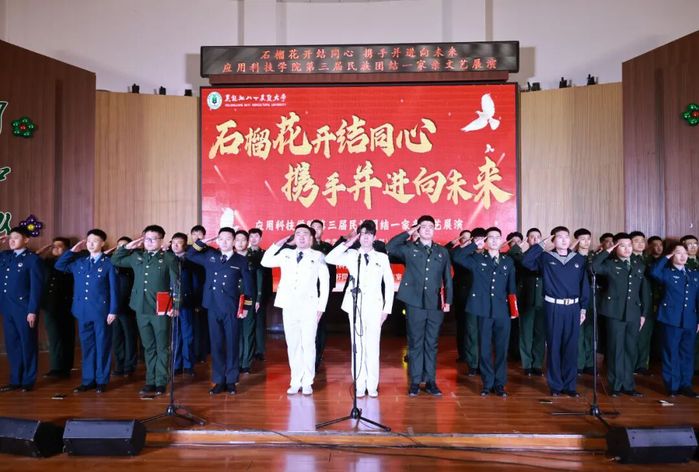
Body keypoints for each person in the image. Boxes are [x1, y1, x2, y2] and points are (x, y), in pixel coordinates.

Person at [325, 220, 394, 398]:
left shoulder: (382, 257)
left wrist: (386, 309)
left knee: (372, 346)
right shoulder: (351, 254)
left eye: (369, 234)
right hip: (355, 305)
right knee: (357, 345)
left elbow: (389, 283)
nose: (366, 238)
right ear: (359, 236)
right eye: (363, 234)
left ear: (374, 237)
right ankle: (360, 383)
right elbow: (329, 258)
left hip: (375, 306)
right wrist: (348, 243)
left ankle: (372, 385)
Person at [386, 215, 452, 396]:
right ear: (418, 229)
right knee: (415, 342)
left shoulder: (442, 251)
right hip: (414, 302)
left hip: (435, 303)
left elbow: (447, 277)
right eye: (423, 226)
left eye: (431, 226)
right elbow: (390, 247)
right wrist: (408, 232)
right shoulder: (409, 249)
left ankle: (430, 381)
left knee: (432, 343)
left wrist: (448, 301)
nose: (428, 229)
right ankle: (415, 381)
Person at [261, 224, 329, 395]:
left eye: (305, 234)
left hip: (309, 306)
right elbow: (265, 261)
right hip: (289, 305)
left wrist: (321, 307)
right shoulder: (286, 254)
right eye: (298, 234)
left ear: (311, 238)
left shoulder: (318, 256)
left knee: (308, 344)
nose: (301, 237)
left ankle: (307, 381)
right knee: (293, 344)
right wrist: (279, 243)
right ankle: (295, 380)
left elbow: (325, 283)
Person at [112, 225, 180, 396]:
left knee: (162, 346)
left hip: (161, 309)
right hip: (140, 308)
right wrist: (127, 247)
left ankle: (161, 381)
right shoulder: (137, 256)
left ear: (161, 240)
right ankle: (150, 380)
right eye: (146, 239)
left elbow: (176, 284)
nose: (149, 242)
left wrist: (176, 305)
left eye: (153, 239)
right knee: (148, 346)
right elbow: (115, 260)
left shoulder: (168, 258)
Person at [522, 226, 589, 397]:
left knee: (571, 347)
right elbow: (526, 262)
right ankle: (556, 386)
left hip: (573, 307)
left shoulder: (578, 259)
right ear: (552, 240)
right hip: (553, 306)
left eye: (566, 236)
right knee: (554, 346)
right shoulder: (545, 257)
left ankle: (570, 386)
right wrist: (540, 245)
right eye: (559, 237)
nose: (564, 240)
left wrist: (583, 308)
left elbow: (584, 285)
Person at [187, 227, 253, 395]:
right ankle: (218, 380)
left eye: (228, 239)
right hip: (212, 306)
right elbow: (190, 255)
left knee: (231, 344)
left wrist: (245, 307)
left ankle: (231, 380)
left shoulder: (241, 260)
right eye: (221, 238)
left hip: (230, 307)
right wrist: (202, 242)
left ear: (234, 241)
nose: (224, 242)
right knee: (216, 344)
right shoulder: (211, 256)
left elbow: (249, 286)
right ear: (217, 240)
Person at [452, 227, 516, 397]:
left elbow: (511, 288)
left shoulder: (508, 261)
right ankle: (487, 383)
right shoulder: (477, 258)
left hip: (503, 310)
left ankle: (500, 384)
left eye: (497, 237)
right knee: (485, 348)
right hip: (483, 309)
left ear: (501, 240)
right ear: (486, 241)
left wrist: (513, 310)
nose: (494, 240)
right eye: (490, 237)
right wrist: (474, 245)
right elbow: (457, 257)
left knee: (502, 349)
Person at [56, 229, 119, 393]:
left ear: (102, 243)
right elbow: (59, 265)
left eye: (95, 241)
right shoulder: (80, 262)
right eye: (89, 241)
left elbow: (114, 289)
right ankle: (88, 380)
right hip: (82, 311)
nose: (91, 244)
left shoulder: (109, 263)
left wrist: (113, 310)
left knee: (102, 346)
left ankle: (101, 380)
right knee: (87, 347)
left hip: (101, 311)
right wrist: (72, 251)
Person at [591, 233, 651, 397]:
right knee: (615, 349)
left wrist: (644, 314)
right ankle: (615, 385)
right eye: (622, 246)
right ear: (615, 247)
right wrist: (607, 251)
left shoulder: (639, 265)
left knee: (630, 350)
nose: (627, 249)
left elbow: (644, 291)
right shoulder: (610, 264)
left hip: (634, 313)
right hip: (614, 312)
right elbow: (593, 267)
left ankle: (628, 385)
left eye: (629, 245)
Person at [650, 243, 699, 398]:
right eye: (678, 253)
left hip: (690, 320)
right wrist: (666, 258)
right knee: (671, 353)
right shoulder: (666, 273)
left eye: (685, 253)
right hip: (671, 319)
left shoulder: (694, 274)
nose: (683, 256)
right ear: (671, 255)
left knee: (687, 354)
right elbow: (654, 272)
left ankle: (686, 385)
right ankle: (672, 386)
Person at [0, 228, 44, 392]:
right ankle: (15, 380)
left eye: (16, 238)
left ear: (26, 240)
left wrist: (32, 310)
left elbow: (36, 288)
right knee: (12, 345)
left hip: (24, 308)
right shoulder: (5, 256)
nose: (11, 241)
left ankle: (28, 380)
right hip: (7, 307)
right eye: (10, 238)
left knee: (28, 344)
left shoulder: (32, 259)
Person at [508, 228, 545, 377]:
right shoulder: (521, 256)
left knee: (540, 334)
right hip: (526, 298)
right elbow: (517, 257)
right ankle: (527, 364)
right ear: (527, 240)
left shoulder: (546, 257)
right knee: (526, 333)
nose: (535, 239)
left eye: (538, 237)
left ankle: (537, 364)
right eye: (532, 237)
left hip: (542, 299)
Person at [38, 237, 75, 379]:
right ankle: (56, 367)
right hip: (50, 305)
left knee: (67, 336)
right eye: (53, 245)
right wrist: (42, 251)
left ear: (67, 249)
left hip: (66, 304)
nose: (55, 248)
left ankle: (66, 367)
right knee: (54, 337)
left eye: (59, 246)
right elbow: (33, 261)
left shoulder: (72, 262)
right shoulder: (46, 262)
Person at [635, 236, 664, 375]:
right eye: (636, 241)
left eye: (642, 241)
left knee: (645, 336)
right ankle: (632, 364)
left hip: (650, 301)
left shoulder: (650, 260)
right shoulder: (629, 259)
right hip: (634, 302)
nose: (640, 244)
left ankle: (641, 364)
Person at [109, 236, 138, 376]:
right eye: (119, 246)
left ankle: (129, 365)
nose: (122, 248)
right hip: (114, 307)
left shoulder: (133, 262)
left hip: (128, 306)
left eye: (125, 245)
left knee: (129, 337)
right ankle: (119, 365)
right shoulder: (111, 262)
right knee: (117, 338)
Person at [310, 219, 336, 370]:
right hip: (307, 292)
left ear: (322, 230)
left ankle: (318, 354)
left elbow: (332, 270)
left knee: (320, 324)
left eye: (318, 227)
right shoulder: (305, 248)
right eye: (313, 227)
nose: (316, 230)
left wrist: (330, 288)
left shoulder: (327, 247)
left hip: (323, 292)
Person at [171, 232, 197, 376]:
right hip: (170, 303)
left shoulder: (191, 260)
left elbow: (196, 283)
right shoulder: (167, 259)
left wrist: (195, 301)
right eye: (173, 242)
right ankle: (176, 364)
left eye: (179, 242)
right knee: (175, 335)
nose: (175, 245)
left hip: (186, 302)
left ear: (185, 245)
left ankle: (188, 365)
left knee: (187, 335)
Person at [233, 229, 260, 374]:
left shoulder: (253, 258)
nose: (240, 243)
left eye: (243, 240)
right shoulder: (229, 258)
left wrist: (258, 299)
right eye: (237, 240)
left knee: (247, 331)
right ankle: (236, 361)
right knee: (235, 331)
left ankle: (246, 363)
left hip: (249, 298)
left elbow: (259, 279)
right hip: (232, 299)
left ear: (248, 242)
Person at [572, 228, 595, 375]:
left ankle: (590, 363)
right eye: (582, 239)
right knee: (578, 332)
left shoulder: (594, 257)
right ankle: (579, 363)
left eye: (588, 239)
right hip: (577, 298)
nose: (586, 242)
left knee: (591, 332)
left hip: (594, 297)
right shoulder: (572, 257)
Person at [447, 229, 472, 364]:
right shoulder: (455, 252)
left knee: (472, 325)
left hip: (473, 291)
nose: (466, 240)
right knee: (462, 324)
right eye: (463, 238)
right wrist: (453, 242)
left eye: (469, 238)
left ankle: (472, 353)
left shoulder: (474, 251)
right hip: (460, 291)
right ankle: (463, 354)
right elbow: (445, 251)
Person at [249, 228, 272, 361]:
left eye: (256, 236)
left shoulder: (265, 254)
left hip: (261, 293)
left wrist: (266, 295)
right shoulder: (244, 253)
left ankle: (259, 350)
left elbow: (268, 277)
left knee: (259, 323)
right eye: (251, 237)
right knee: (248, 322)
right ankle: (249, 348)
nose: (253, 239)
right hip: (247, 293)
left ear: (260, 238)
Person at [190, 225, 209, 364]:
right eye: (194, 234)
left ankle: (202, 353)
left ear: (204, 236)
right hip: (189, 294)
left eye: (199, 234)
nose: (197, 237)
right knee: (190, 326)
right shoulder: (188, 251)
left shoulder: (210, 251)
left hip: (204, 293)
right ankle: (192, 354)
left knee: (202, 325)